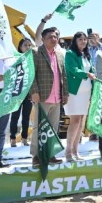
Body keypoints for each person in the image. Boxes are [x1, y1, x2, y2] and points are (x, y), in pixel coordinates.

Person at [29, 24, 67, 166]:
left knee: (53, 129)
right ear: (43, 39)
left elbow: (64, 75)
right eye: (50, 37)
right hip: (42, 96)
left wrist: (65, 94)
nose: (54, 39)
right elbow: (31, 74)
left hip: (57, 98)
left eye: (55, 36)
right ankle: (36, 156)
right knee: (39, 127)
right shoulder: (35, 52)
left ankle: (50, 154)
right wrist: (34, 92)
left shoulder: (60, 55)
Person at [64, 31, 97, 161]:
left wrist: (92, 77)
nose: (83, 41)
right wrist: (87, 75)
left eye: (85, 39)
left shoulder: (86, 55)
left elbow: (91, 70)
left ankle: (75, 151)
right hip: (74, 92)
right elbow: (73, 69)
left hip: (86, 92)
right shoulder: (70, 54)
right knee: (75, 121)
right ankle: (68, 152)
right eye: (80, 39)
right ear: (75, 41)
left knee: (81, 122)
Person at [9, 38, 34, 147]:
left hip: (28, 93)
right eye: (25, 45)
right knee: (15, 116)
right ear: (20, 47)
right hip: (17, 92)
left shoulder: (33, 59)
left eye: (29, 45)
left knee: (26, 117)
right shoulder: (15, 59)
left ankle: (24, 138)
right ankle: (13, 138)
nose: (28, 47)